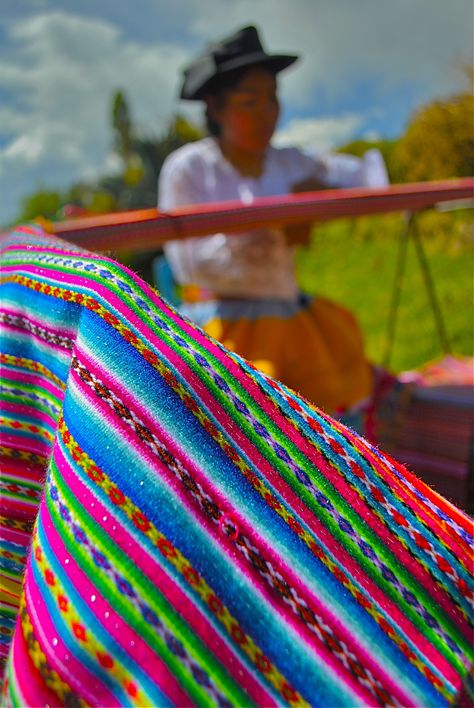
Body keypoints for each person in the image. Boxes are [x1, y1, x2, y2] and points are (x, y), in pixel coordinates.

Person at [157, 24, 390, 419]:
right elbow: (189, 264)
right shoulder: (189, 170)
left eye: (272, 99)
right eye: (250, 101)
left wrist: (319, 197)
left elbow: (363, 181)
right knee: (242, 426)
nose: (267, 113)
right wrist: (273, 225)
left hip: (292, 321)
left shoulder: (291, 164)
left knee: (326, 421)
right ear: (216, 108)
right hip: (222, 327)